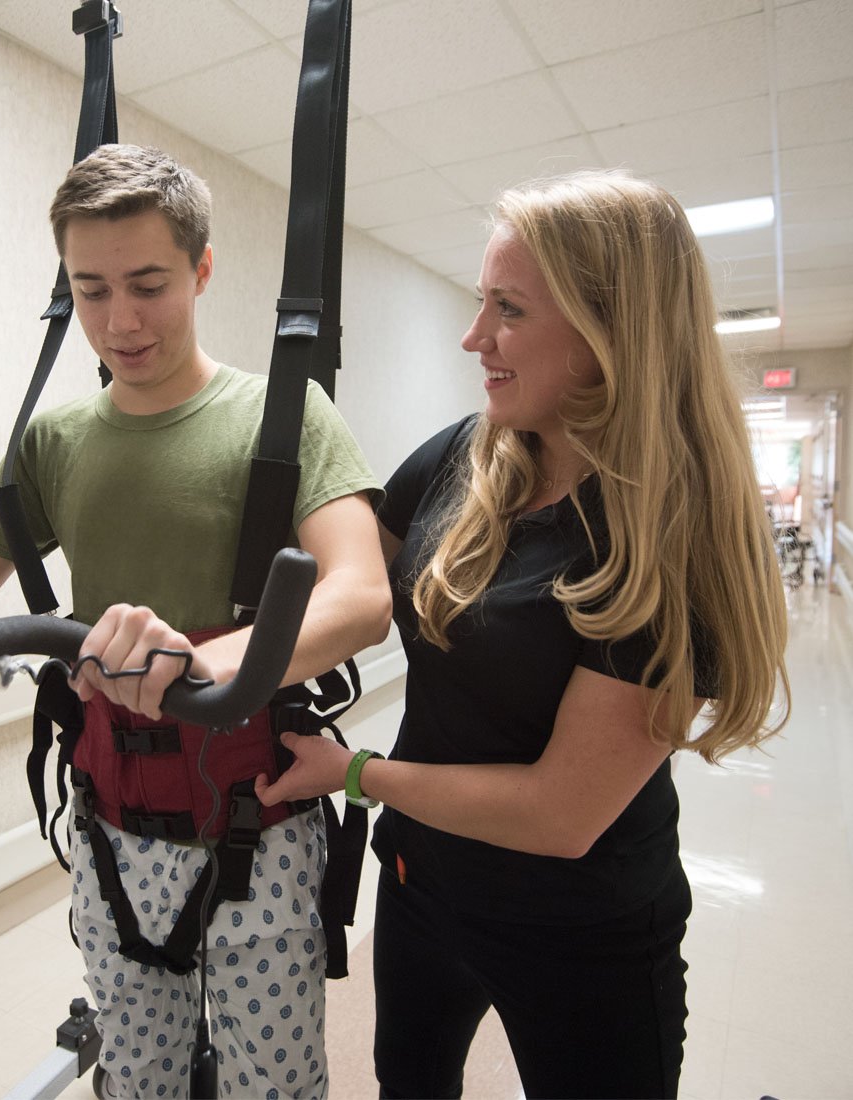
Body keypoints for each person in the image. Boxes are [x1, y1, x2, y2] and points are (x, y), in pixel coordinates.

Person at [255, 170, 790, 1100]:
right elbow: (351, 581)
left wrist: (353, 774)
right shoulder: (468, 454)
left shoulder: (669, 543)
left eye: (509, 310)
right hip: (424, 885)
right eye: (480, 303)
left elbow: (559, 814)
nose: (475, 338)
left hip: (582, 929)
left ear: (607, 331)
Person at [0, 143, 391, 1099]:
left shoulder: (283, 418)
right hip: (114, 830)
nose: (119, 322)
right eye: (91, 290)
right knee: (135, 1079)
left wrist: (204, 661)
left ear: (202, 270)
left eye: (149, 284)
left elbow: (362, 596)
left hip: (259, 831)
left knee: (273, 1088)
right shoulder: (54, 441)